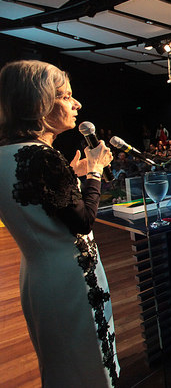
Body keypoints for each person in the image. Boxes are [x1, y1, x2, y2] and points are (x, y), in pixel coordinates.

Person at [0, 60, 118, 386]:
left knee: (61, 367)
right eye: (66, 97)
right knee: (85, 369)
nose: (77, 104)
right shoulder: (42, 156)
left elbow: (39, 205)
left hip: (39, 275)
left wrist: (73, 177)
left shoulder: (9, 152)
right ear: (39, 104)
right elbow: (83, 221)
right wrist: (94, 171)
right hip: (69, 280)